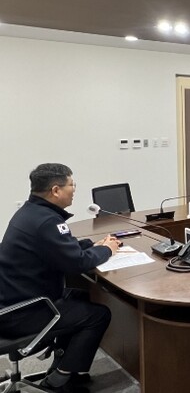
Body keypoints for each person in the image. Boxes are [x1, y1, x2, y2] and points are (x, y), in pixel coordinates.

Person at [0, 163, 121, 393]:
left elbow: (57, 249)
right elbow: (77, 263)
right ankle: (60, 380)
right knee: (98, 315)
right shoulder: (47, 221)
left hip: (11, 303)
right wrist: (107, 250)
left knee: (80, 297)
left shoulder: (30, 212)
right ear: (56, 190)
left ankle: (62, 365)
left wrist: (91, 245)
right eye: (71, 185)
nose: (74, 190)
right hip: (22, 313)